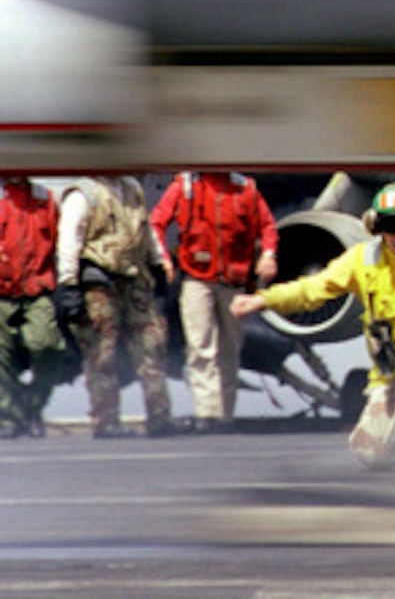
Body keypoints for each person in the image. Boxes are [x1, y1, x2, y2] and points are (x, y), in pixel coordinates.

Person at [230, 181, 395, 472]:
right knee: (372, 454)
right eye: (391, 225)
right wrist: (263, 300)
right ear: (376, 227)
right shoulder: (363, 259)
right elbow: (314, 288)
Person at [150, 171, 279, 434]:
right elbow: (156, 223)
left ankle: (224, 416)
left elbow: (267, 225)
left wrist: (268, 255)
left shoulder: (246, 189)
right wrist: (162, 257)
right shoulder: (185, 186)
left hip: (234, 281)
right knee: (201, 347)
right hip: (196, 279)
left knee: (230, 348)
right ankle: (207, 415)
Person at [56, 176, 179, 439]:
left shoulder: (131, 189)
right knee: (102, 353)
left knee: (152, 346)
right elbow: (69, 238)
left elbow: (144, 230)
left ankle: (160, 417)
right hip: (99, 284)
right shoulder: (83, 194)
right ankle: (106, 420)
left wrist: (156, 263)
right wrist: (69, 283)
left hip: (134, 281)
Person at [0, 178, 71, 439]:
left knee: (47, 347)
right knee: (1, 359)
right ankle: (11, 417)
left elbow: (61, 241)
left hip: (36, 289)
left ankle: (32, 404)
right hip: (2, 293)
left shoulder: (45, 198)